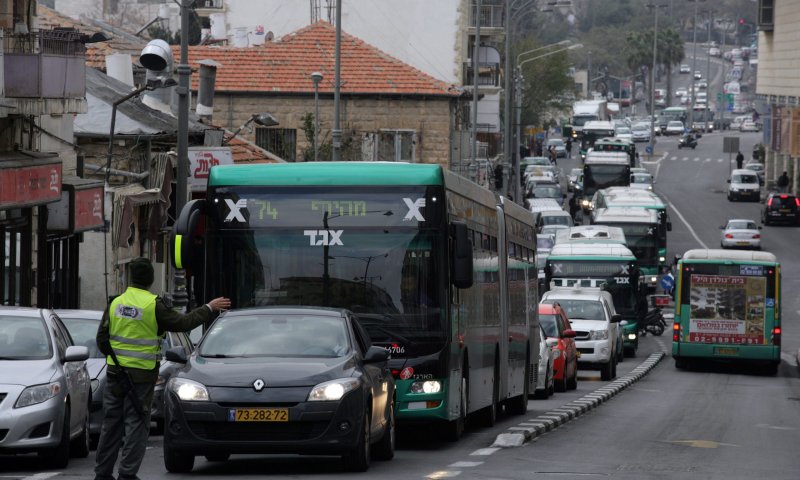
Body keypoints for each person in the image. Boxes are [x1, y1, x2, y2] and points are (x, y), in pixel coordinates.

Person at [94, 257, 230, 480]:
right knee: (137, 425)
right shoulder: (152, 305)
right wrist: (209, 308)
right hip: (142, 378)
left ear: (130, 277)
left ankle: (102, 474)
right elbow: (183, 323)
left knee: (111, 425)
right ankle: (127, 474)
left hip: (115, 376)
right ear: (150, 279)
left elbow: (101, 340)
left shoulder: (115, 303)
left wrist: (118, 360)